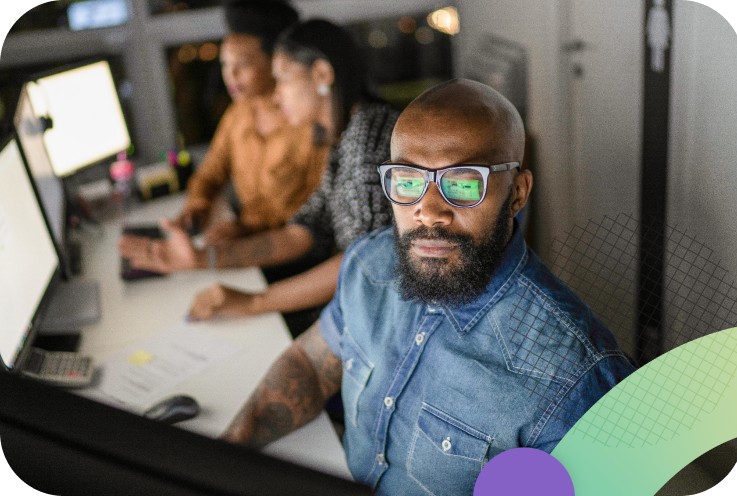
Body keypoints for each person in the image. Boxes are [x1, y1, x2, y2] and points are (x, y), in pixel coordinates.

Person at [219, 79, 636, 495]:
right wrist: (222, 454)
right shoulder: (368, 265)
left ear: (517, 193)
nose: (428, 211)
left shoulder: (575, 376)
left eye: (464, 183)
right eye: (407, 180)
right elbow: (310, 366)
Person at [119, 20, 399, 326]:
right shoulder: (342, 136)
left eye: (282, 80)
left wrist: (253, 302)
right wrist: (203, 258)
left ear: (321, 74)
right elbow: (304, 232)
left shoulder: (368, 137)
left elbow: (363, 265)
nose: (276, 97)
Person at [130, 0, 328, 247]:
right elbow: (210, 172)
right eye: (225, 64)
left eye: (243, 65)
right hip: (244, 240)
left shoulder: (310, 123)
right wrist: (199, 205)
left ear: (277, 62)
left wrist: (249, 230)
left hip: (286, 251)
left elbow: (316, 221)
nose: (230, 76)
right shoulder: (239, 114)